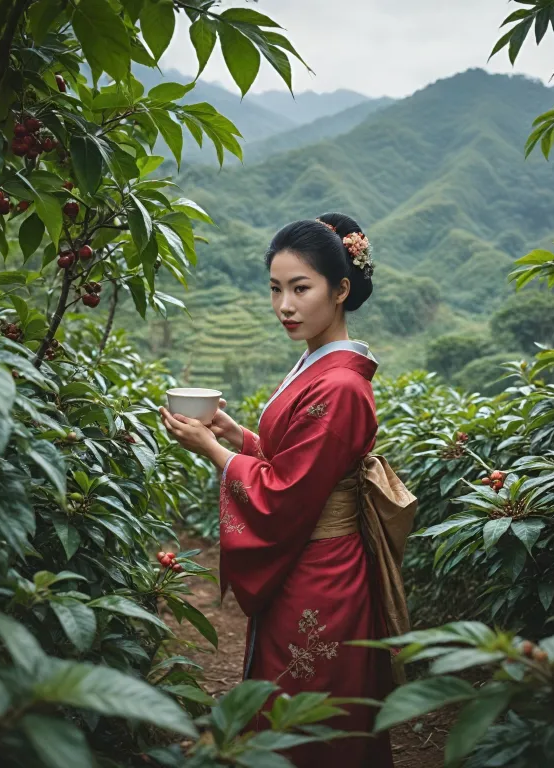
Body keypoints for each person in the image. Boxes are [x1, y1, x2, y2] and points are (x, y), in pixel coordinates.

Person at [160, 213, 417, 767]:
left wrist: (211, 450)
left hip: (322, 571)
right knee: (296, 704)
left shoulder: (342, 384)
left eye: (301, 288)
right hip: (311, 559)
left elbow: (284, 492)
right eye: (276, 289)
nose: (285, 305)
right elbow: (301, 463)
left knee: (312, 714)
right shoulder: (318, 364)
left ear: (340, 288)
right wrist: (237, 436)